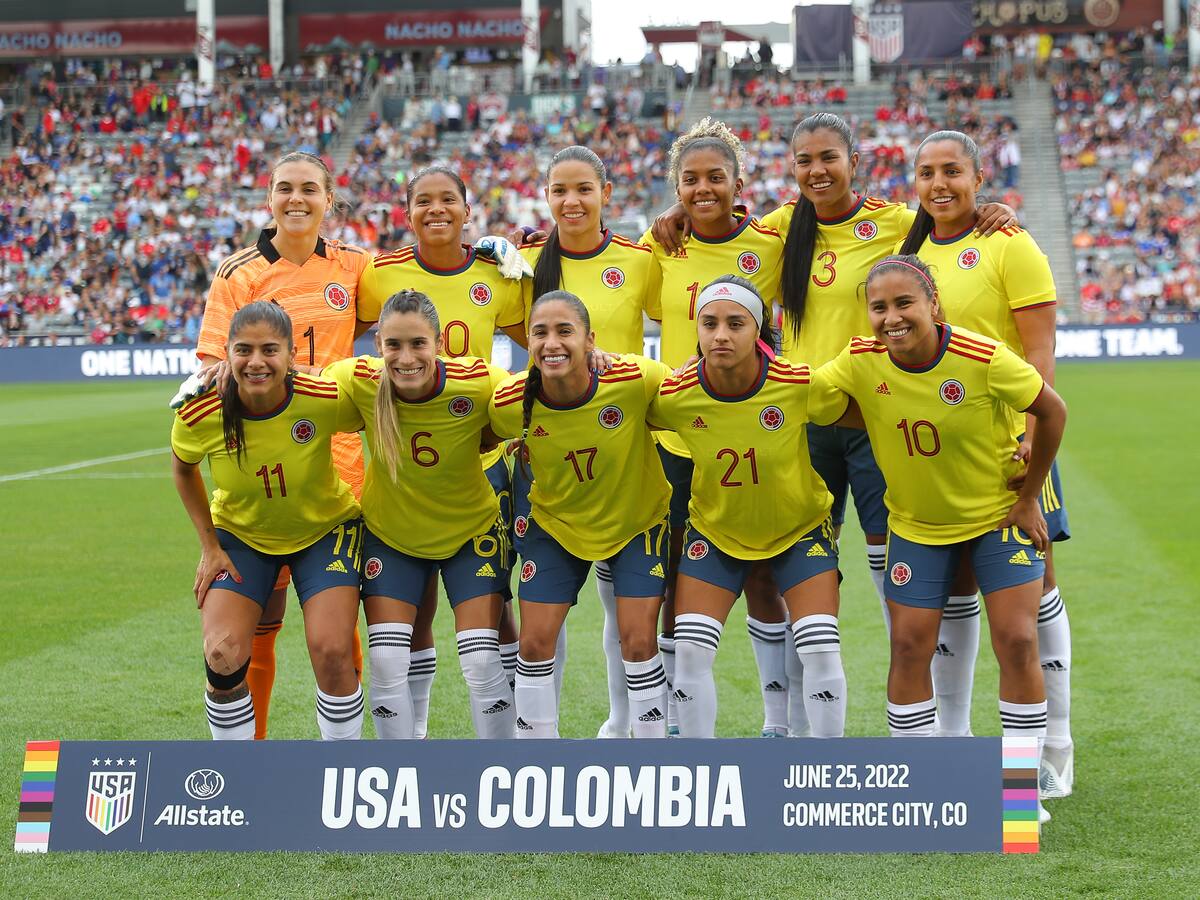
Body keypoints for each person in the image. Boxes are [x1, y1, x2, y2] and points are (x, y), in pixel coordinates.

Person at [653, 112, 1017, 734]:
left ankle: (933, 728)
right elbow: (718, 226)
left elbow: (945, 219)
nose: (817, 171)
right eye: (805, 160)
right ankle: (793, 727)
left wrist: (989, 213)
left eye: (829, 158)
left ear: (855, 162)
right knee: (791, 575)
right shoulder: (778, 228)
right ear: (792, 168)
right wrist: (678, 213)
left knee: (892, 573)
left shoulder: (895, 222)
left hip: (875, 421)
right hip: (797, 422)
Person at [810, 255, 1066, 823]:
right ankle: (921, 786)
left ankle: (1019, 792)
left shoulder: (981, 356)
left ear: (934, 305)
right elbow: (804, 396)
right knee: (908, 646)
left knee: (1017, 640)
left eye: (905, 303)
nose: (892, 318)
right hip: (917, 528)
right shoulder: (859, 360)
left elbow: (1052, 411)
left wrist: (1030, 496)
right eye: (879, 307)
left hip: (997, 519)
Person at [899, 130, 1074, 797]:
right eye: (926, 172)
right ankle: (956, 739)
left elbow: (1039, 352)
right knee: (956, 588)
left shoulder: (1010, 243)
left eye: (952, 171)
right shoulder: (910, 256)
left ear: (978, 177)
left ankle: (1054, 749)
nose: (939, 184)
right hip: (941, 458)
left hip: (1009, 447)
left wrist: (1031, 436)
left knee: (1035, 589)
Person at [191, 151, 373, 739]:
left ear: (328, 199)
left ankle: (342, 769)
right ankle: (254, 755)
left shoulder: (355, 266)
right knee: (258, 622)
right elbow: (215, 366)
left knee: (335, 632)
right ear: (269, 198)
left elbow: (417, 288)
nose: (297, 199)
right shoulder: (239, 274)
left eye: (309, 189)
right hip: (262, 469)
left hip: (338, 470)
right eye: (285, 188)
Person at [356, 165, 527, 738]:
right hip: (407, 466)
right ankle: (415, 745)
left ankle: (515, 741)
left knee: (496, 619)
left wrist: (529, 248)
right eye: (423, 201)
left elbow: (546, 335)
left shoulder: (495, 272)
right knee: (413, 615)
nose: (436, 209)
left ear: (467, 210)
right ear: (406, 214)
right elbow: (336, 331)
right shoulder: (379, 275)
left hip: (481, 460)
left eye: (448, 199)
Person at [642, 117, 794, 738]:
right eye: (690, 180)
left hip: (754, 431)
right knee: (673, 574)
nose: (702, 189)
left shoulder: (771, 243)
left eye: (715, 177)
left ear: (738, 182)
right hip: (679, 435)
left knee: (762, 571)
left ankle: (778, 722)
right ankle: (676, 720)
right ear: (676, 186)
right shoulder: (659, 244)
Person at [648, 276, 845, 738]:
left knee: (819, 645)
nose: (721, 335)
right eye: (710, 323)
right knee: (691, 650)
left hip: (799, 530)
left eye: (735, 323)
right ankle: (698, 768)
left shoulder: (797, 383)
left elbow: (865, 412)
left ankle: (824, 764)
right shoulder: (675, 394)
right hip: (716, 533)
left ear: (758, 329)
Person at [517, 145, 663, 739]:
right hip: (554, 445)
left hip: (624, 448)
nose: (571, 201)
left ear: (607, 193)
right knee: (541, 620)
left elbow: (683, 315)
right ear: (546, 197)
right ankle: (540, 748)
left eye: (584, 189)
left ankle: (623, 724)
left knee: (621, 610)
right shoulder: (523, 260)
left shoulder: (641, 259)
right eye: (559, 190)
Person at [325, 291, 515, 739]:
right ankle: (403, 765)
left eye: (418, 344)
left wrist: (596, 359)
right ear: (378, 344)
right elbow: (293, 385)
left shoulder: (478, 381)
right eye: (393, 345)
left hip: (470, 535)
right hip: (392, 536)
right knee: (386, 660)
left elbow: (537, 391)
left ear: (439, 344)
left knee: (481, 658)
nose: (406, 358)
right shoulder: (359, 380)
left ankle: (503, 766)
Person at [171, 302, 365, 741]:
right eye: (243, 349)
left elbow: (381, 406)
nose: (256, 362)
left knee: (333, 650)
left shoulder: (322, 396)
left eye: (269, 350)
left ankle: (340, 766)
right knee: (222, 655)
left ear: (292, 355)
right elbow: (183, 469)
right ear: (226, 353)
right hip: (242, 536)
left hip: (324, 531)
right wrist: (209, 546)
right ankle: (238, 774)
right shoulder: (199, 410)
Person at [489, 291, 671, 738]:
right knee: (534, 642)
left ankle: (650, 759)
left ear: (591, 340)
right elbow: (477, 435)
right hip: (556, 526)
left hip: (635, 522)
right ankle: (538, 760)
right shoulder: (509, 403)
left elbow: (695, 398)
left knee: (638, 640)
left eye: (565, 331)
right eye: (540, 333)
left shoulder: (634, 378)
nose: (551, 343)